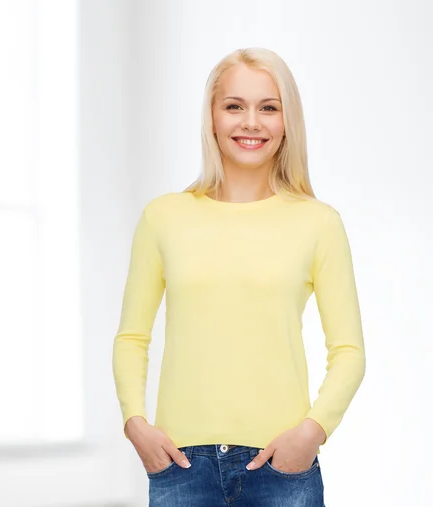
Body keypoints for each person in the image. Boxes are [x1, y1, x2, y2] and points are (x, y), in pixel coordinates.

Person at [111, 47, 366, 506]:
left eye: (268, 107)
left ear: (288, 120)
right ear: (211, 116)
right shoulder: (163, 217)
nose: (251, 122)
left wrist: (311, 433)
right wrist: (135, 423)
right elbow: (132, 336)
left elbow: (348, 351)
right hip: (182, 468)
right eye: (235, 106)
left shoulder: (319, 223)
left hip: (282, 468)